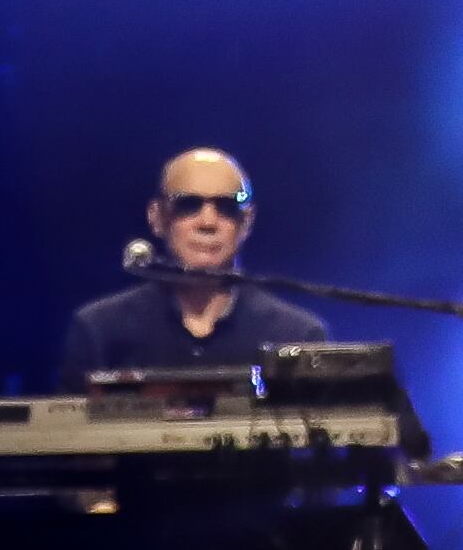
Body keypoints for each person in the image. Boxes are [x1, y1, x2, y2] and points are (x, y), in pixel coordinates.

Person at [56, 146, 332, 386]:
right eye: (188, 205)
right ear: (157, 217)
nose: (208, 222)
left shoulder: (296, 336)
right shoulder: (100, 331)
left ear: (246, 222)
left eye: (227, 206)